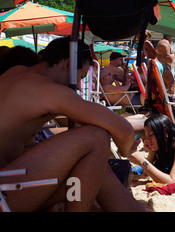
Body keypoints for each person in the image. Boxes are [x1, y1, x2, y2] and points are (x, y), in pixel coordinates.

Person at [0, 36, 143, 211]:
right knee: (95, 137)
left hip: (9, 180)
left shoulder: (16, 72)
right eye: (81, 76)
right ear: (67, 64)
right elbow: (124, 131)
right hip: (4, 193)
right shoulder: (51, 92)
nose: (78, 84)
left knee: (94, 168)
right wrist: (126, 149)